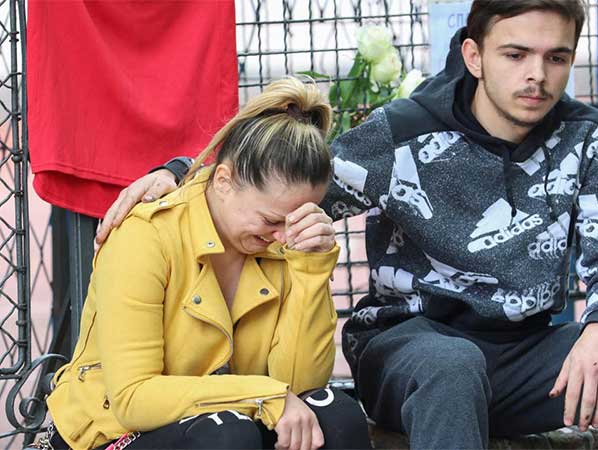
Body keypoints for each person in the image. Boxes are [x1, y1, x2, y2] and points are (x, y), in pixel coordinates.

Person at [96, 1, 598, 449]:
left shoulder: (588, 139)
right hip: (410, 346)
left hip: (527, 356)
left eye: (556, 57)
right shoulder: (402, 131)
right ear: (474, 55)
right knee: (453, 365)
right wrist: (183, 173)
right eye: (516, 54)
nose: (537, 75)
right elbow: (284, 179)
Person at [45, 78, 372, 450]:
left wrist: (311, 268)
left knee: (335, 415)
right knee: (226, 434)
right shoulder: (146, 236)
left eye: (295, 221)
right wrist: (262, 396)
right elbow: (133, 397)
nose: (283, 236)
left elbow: (298, 388)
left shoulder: (287, 244)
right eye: (271, 220)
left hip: (228, 421)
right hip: (114, 431)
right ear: (223, 181)